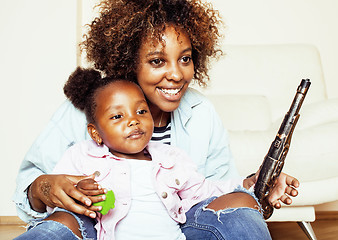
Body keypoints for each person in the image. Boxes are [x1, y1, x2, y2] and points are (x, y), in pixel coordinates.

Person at [13, 0, 299, 239]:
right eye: (157, 61)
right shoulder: (87, 107)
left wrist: (254, 184)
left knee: (243, 206)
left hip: (176, 228)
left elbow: (213, 193)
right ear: (129, 61)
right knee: (61, 222)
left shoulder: (200, 112)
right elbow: (29, 189)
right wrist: (46, 188)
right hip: (98, 230)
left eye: (185, 59)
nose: (177, 74)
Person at [19, 67, 272, 240]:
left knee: (242, 201)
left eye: (141, 112)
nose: (133, 121)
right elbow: (61, 201)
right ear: (95, 133)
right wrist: (82, 194)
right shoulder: (82, 155)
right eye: (118, 116)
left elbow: (205, 192)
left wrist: (248, 183)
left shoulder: (172, 158)